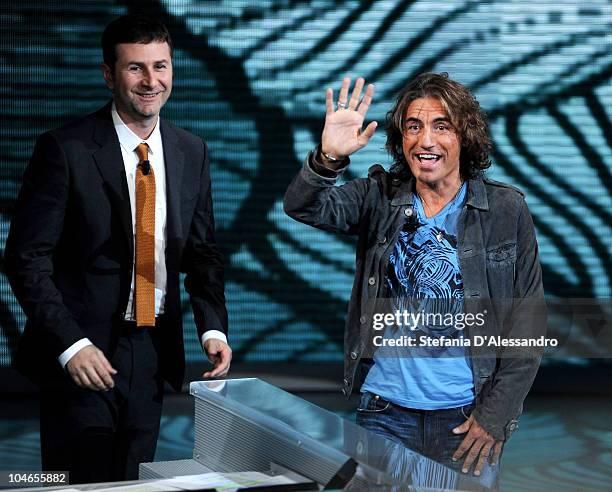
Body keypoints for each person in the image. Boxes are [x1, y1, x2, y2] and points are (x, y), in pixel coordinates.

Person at [284, 73, 545, 486]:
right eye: (413, 126)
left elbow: (526, 324)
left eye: (442, 126)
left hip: (466, 417)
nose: (426, 141)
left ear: (465, 136)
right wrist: (328, 158)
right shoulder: (378, 196)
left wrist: (495, 417)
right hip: (384, 412)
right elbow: (304, 207)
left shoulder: (505, 209)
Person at [4, 14, 231, 483]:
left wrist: (214, 330)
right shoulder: (64, 149)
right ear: (108, 74)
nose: (151, 82)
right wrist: (71, 345)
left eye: (160, 66)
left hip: (151, 351)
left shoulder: (191, 150)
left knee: (135, 480)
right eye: (135, 68)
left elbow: (203, 252)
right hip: (83, 353)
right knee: (76, 482)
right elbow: (26, 259)